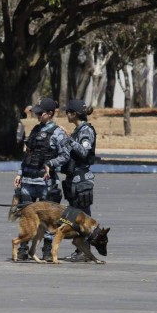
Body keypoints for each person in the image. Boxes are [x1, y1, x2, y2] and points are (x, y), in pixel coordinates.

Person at [14, 98, 70, 262]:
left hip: (46, 183)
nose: (37, 115)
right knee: (25, 216)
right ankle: (24, 248)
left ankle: (47, 249)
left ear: (50, 114)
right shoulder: (36, 130)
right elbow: (29, 153)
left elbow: (65, 155)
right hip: (28, 182)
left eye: (40, 113)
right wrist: (19, 173)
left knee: (47, 218)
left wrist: (51, 163)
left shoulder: (58, 133)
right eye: (36, 112)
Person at [61, 99, 97, 262]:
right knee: (75, 217)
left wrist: (68, 139)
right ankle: (81, 249)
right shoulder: (78, 130)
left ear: (73, 114)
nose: (66, 115)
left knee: (82, 216)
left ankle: (85, 250)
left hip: (81, 179)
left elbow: (84, 151)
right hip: (73, 178)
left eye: (67, 112)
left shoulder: (86, 131)